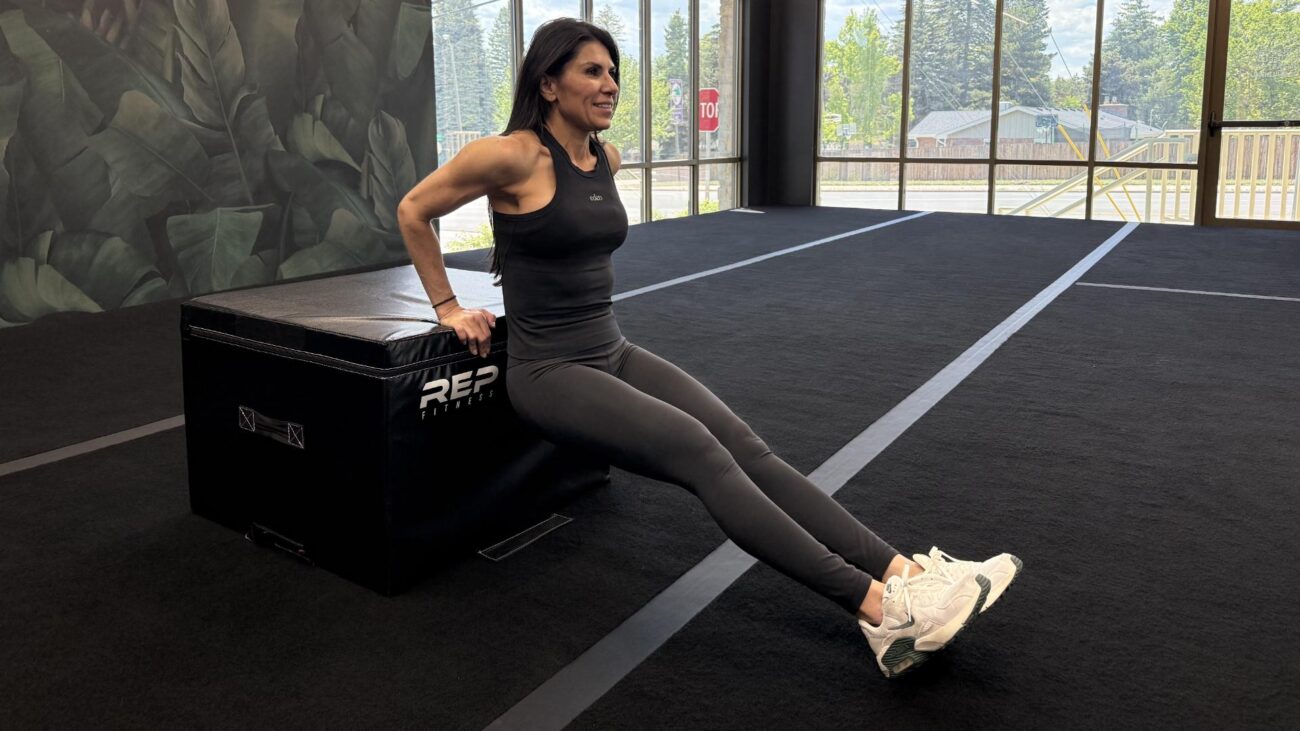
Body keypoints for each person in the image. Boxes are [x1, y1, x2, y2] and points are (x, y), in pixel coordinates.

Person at [396, 18, 1021, 679]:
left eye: (614, 72)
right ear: (548, 83)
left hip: (611, 347)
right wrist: (447, 307)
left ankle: (908, 572)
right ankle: (879, 611)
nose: (609, 84)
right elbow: (414, 209)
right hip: (550, 370)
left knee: (749, 447)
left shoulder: (605, 158)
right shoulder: (511, 155)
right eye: (592, 71)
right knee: (700, 452)